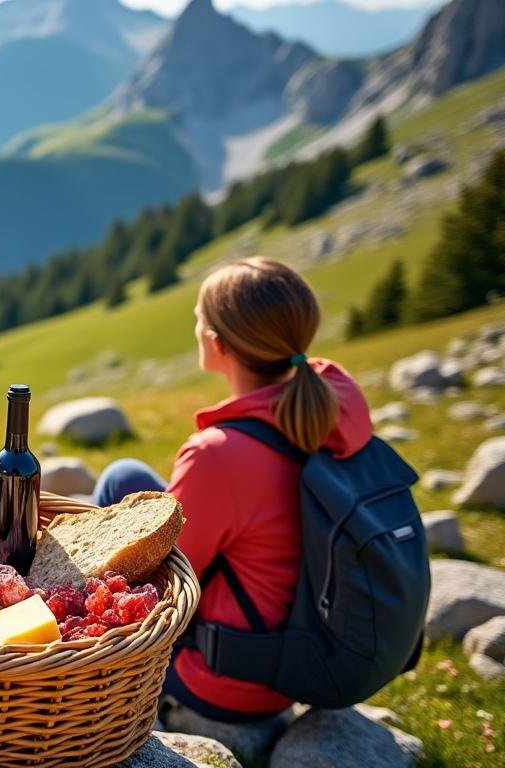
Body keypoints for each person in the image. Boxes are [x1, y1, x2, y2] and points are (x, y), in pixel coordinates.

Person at [92, 257, 373, 721]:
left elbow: (166, 577)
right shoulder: (331, 403)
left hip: (225, 678)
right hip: (298, 640)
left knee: (119, 531)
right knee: (126, 480)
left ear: (217, 343)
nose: (196, 325)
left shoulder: (218, 454)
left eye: (199, 317)